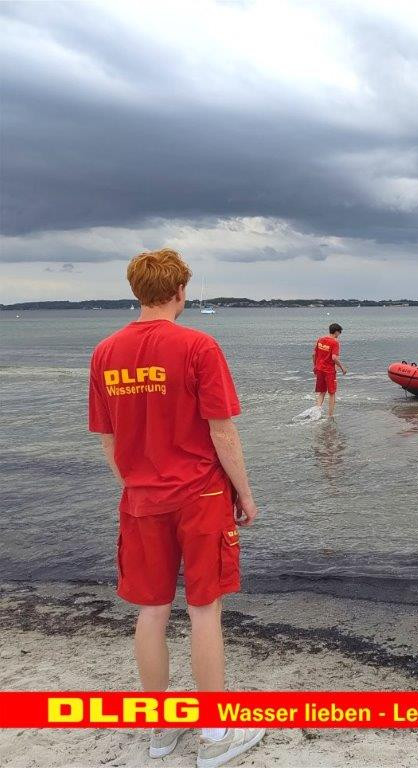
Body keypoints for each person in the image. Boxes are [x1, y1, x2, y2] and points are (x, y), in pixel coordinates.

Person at [88, 249, 264, 767]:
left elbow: (107, 439)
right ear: (180, 291)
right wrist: (245, 494)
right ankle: (214, 734)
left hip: (141, 499)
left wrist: (137, 486)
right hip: (201, 495)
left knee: (152, 610)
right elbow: (222, 431)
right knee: (205, 609)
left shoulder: (105, 352)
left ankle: (161, 729)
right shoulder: (197, 346)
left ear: (136, 290)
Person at [313, 323, 346, 418]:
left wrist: (315, 366)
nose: (339, 334)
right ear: (336, 332)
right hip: (329, 371)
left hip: (319, 369)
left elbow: (314, 354)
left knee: (322, 392)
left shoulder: (320, 339)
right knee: (332, 393)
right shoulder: (335, 342)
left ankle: (317, 413)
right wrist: (342, 367)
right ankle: (330, 416)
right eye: (340, 332)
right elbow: (334, 357)